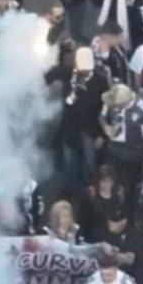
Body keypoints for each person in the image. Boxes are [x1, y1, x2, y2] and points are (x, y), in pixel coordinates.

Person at [47, 47, 109, 193]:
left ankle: (89, 188)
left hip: (90, 128)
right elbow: (49, 74)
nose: (84, 72)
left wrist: (102, 134)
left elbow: (105, 108)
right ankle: (72, 188)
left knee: (89, 162)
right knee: (72, 162)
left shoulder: (100, 81)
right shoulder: (68, 73)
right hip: (69, 127)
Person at [99, 84, 143, 199]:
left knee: (131, 187)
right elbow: (102, 116)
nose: (114, 107)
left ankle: (131, 209)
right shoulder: (110, 102)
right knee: (111, 182)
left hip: (135, 155)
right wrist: (105, 126)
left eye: (117, 105)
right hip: (113, 151)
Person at [80, 165, 127, 241]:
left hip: (116, 235)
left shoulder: (119, 194)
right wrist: (107, 224)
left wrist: (121, 223)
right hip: (95, 236)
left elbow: (123, 213)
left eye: (109, 182)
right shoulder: (91, 195)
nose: (106, 185)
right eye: (103, 182)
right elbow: (84, 219)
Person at [92, 22, 132, 86]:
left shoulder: (119, 50)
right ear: (110, 37)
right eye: (119, 37)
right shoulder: (94, 53)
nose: (121, 40)